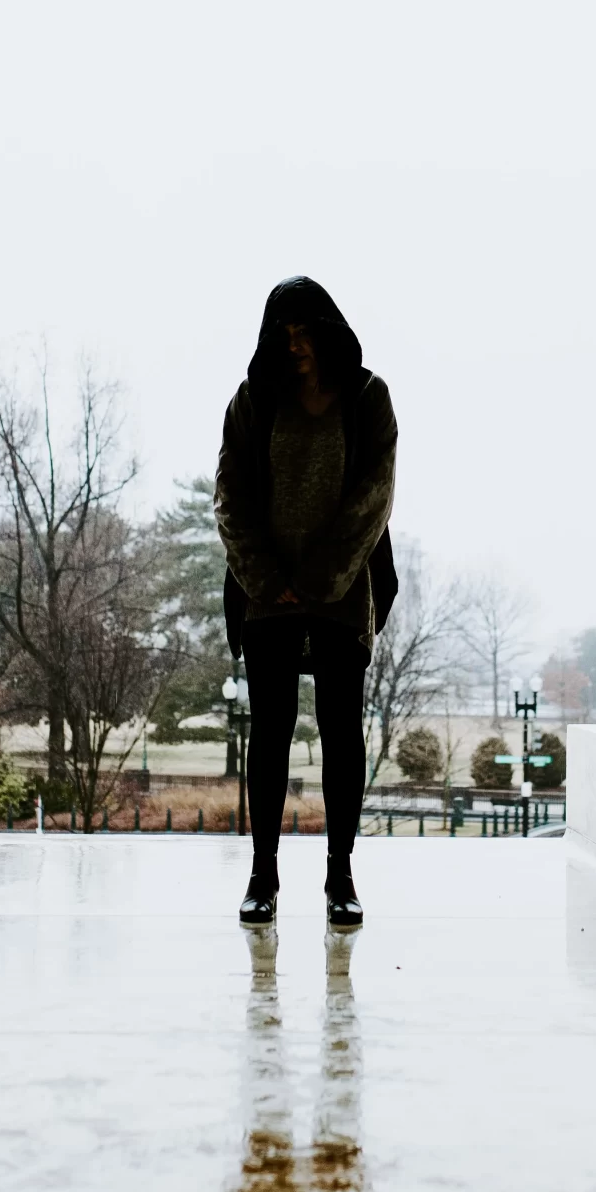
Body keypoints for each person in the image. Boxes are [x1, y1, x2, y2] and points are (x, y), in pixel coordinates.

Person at [214, 277, 397, 928]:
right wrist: (266, 575)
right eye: (282, 333)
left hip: (343, 593)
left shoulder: (367, 398)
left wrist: (321, 576)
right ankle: (263, 874)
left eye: (304, 331)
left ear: (327, 328)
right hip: (268, 595)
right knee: (269, 733)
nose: (293, 346)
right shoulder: (252, 402)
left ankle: (340, 874)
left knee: (342, 735)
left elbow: (375, 495)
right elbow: (229, 495)